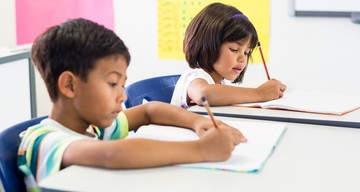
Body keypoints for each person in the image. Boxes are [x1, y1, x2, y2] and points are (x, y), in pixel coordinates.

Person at [17, 18, 246, 191]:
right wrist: (201, 150)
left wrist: (199, 123)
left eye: (123, 85)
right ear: (69, 85)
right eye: (113, 83)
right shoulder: (44, 140)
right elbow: (111, 155)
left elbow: (149, 110)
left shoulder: (96, 127)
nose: (122, 96)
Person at [171, 2, 287, 109]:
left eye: (246, 52)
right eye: (234, 49)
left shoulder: (218, 81)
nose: (242, 59)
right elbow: (204, 94)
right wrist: (259, 93)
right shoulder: (195, 77)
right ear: (208, 46)